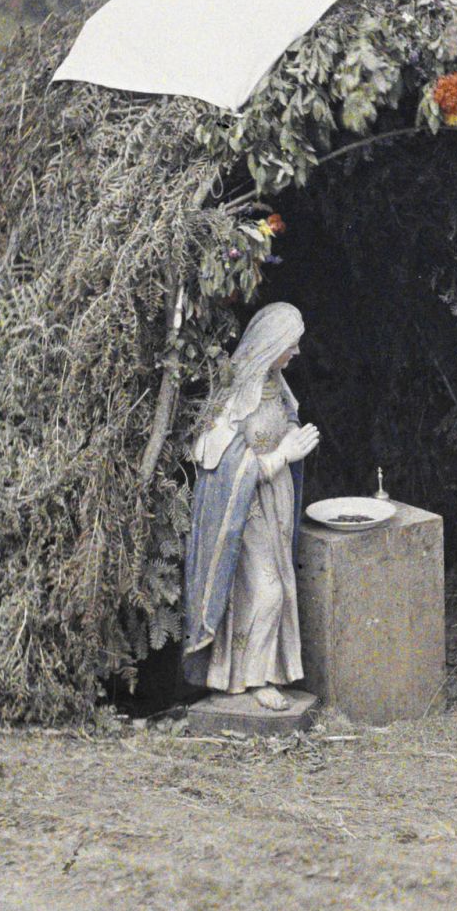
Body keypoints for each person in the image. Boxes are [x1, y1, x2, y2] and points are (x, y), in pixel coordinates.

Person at [180, 301, 320, 711]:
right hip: (243, 509)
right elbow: (223, 466)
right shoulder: (233, 395)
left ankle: (243, 676)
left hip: (274, 503)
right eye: (291, 344)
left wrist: (294, 435)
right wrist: (283, 457)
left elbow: (287, 417)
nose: (296, 353)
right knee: (267, 590)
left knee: (271, 587)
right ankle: (253, 680)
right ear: (272, 343)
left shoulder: (275, 380)